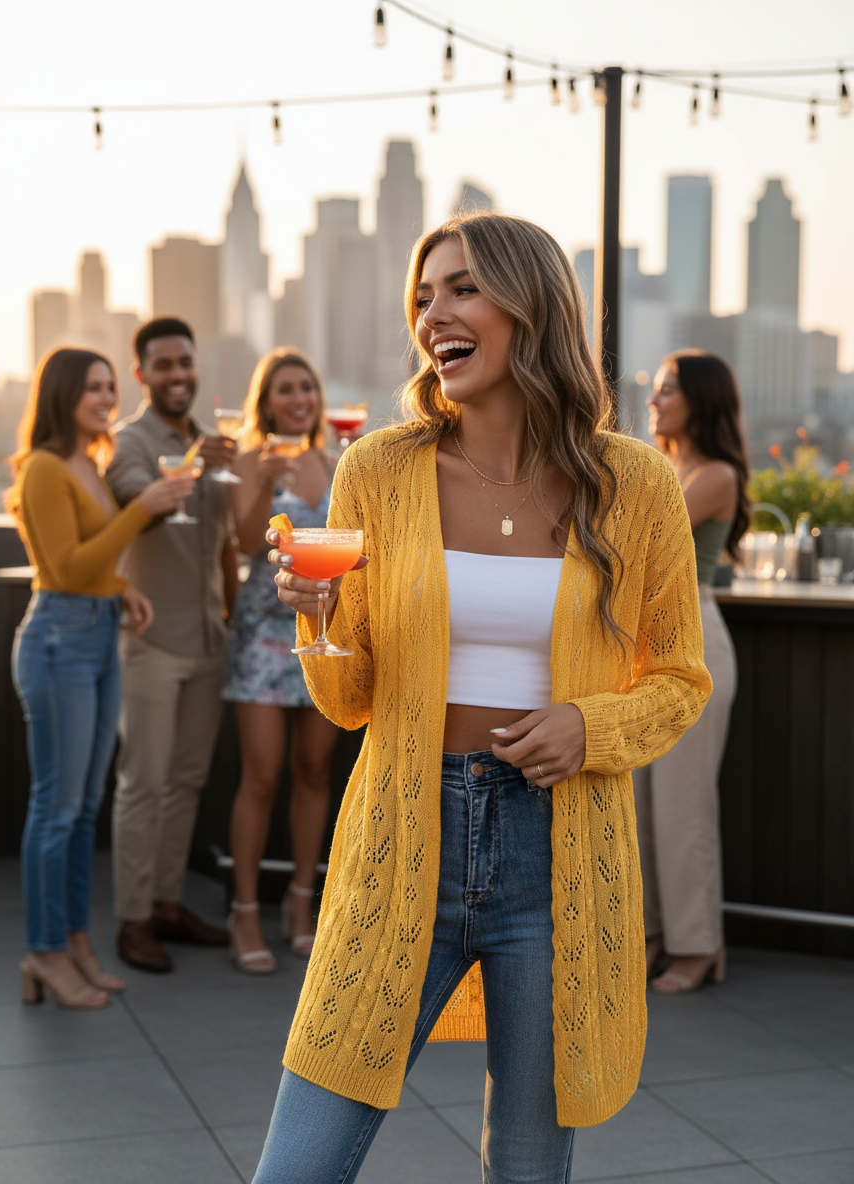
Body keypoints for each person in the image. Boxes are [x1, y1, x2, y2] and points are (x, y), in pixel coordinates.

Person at [254, 212, 713, 1183]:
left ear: (530, 304)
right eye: (423, 296)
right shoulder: (379, 469)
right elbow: (349, 699)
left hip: (559, 852)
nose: (434, 315)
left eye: (461, 289)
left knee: (528, 1164)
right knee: (300, 1164)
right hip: (402, 838)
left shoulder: (634, 484)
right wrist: (318, 616)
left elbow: (678, 679)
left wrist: (589, 725)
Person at [7, 347, 193, 1008]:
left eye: (110, 386)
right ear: (62, 394)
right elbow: (63, 565)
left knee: (85, 811)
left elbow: (92, 567)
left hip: (96, 631)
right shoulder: (45, 470)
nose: (105, 398)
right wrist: (143, 509)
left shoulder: (90, 461)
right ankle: (44, 953)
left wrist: (121, 590)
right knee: (54, 811)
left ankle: (75, 943)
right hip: (58, 640)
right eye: (92, 387)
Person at [106, 317, 238, 973]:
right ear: (142, 375)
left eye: (184, 362)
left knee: (185, 782)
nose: (177, 374)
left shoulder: (207, 442)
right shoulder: (129, 441)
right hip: (151, 641)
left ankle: (165, 904)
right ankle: (132, 919)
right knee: (143, 783)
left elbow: (226, 546)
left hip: (208, 638)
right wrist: (193, 466)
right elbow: (141, 499)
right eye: (163, 365)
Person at [635, 350, 749, 994]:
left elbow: (645, 538)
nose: (654, 399)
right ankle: (652, 933)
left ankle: (698, 945)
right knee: (642, 807)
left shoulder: (714, 475)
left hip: (696, 639)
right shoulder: (664, 467)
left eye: (668, 389)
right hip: (646, 645)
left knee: (683, 808)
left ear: (700, 400)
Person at [222, 348, 339, 971]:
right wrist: (262, 480)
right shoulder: (250, 461)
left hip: (321, 634)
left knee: (316, 772)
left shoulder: (336, 460)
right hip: (264, 638)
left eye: (307, 387)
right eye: (286, 389)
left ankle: (301, 902)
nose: (299, 398)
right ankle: (243, 912)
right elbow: (243, 544)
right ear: (266, 402)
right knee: (262, 776)